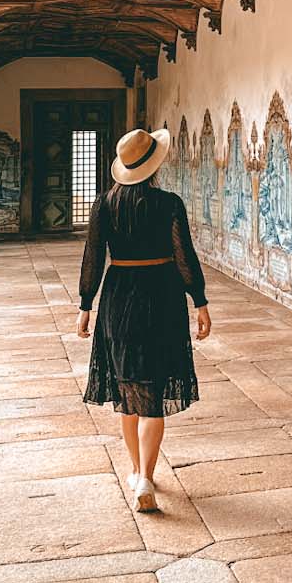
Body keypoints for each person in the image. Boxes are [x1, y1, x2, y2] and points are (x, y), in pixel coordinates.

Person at [76, 128, 211, 512]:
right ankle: (148, 478)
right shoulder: (169, 203)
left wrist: (86, 304)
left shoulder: (104, 205)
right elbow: (183, 254)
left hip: (119, 296)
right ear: (154, 166)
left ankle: (136, 472)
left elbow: (93, 257)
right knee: (152, 389)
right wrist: (199, 300)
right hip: (162, 295)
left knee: (127, 392)